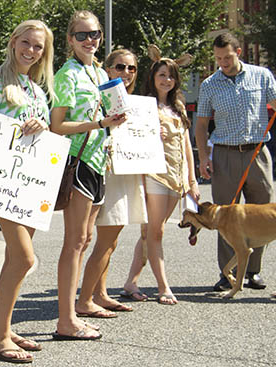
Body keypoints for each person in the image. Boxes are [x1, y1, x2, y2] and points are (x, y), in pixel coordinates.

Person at [0, 19, 55, 363]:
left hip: (31, 182)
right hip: (3, 182)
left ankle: (5, 330)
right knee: (24, 258)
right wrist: (17, 127)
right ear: (13, 41)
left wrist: (43, 125)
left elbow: (45, 134)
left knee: (13, 260)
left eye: (38, 47)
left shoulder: (37, 89)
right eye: (27, 43)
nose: (31, 51)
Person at [195, 32, 276, 292]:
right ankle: (226, 273)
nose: (223, 63)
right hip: (224, 154)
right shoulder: (210, 84)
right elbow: (201, 123)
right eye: (218, 58)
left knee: (263, 213)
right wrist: (203, 156)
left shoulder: (262, 75)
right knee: (223, 216)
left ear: (238, 52)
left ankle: (252, 272)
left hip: (257, 152)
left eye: (227, 57)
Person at [50, 10, 126, 338]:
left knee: (87, 237)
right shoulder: (67, 74)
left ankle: (81, 305)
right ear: (70, 40)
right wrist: (98, 124)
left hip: (98, 160)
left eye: (94, 34)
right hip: (77, 161)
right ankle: (66, 320)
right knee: (75, 240)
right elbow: (57, 126)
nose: (89, 40)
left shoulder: (97, 72)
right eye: (82, 35)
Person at [120, 53, 200, 305]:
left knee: (149, 232)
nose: (167, 80)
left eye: (171, 76)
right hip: (154, 173)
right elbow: (131, 135)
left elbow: (187, 146)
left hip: (177, 177)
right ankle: (163, 286)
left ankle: (131, 281)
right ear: (152, 77)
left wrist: (192, 179)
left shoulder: (178, 107)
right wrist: (153, 133)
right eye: (162, 75)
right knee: (156, 231)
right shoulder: (144, 106)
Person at [75, 48, 147, 316]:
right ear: (107, 69)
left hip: (127, 171)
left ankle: (99, 293)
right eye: (119, 67)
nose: (126, 73)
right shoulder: (102, 97)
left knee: (110, 240)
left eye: (131, 68)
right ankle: (85, 301)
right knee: (98, 239)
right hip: (106, 170)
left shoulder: (136, 103)